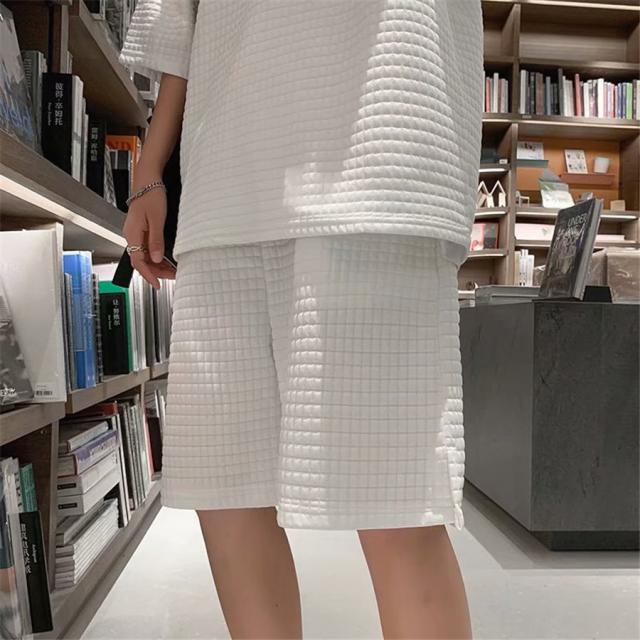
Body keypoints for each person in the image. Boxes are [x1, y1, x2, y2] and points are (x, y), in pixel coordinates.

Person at [119, 1, 483, 637]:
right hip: (223, 170)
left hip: (382, 141)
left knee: (397, 503)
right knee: (225, 491)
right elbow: (182, 13)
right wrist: (150, 168)